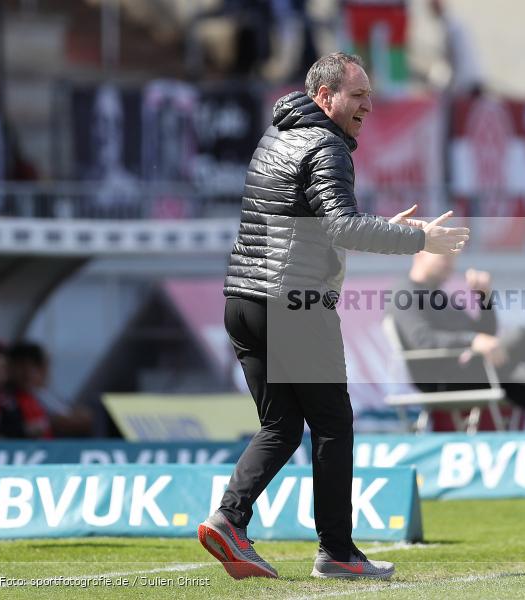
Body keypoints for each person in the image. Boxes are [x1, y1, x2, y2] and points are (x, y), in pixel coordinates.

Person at [198, 52, 470, 581]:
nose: (369, 104)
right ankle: (337, 552)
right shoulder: (327, 146)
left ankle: (228, 519)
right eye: (358, 94)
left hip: (243, 301)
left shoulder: (275, 136)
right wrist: (418, 239)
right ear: (325, 97)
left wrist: (381, 226)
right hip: (294, 306)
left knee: (281, 425)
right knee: (332, 425)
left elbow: (308, 226)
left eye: (369, 93)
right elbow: (343, 228)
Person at [388, 252, 525, 431]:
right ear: (419, 256)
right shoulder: (405, 293)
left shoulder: (439, 296)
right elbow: (422, 339)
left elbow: (486, 334)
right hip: (444, 378)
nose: (449, 264)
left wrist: (483, 298)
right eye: (444, 258)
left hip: (475, 371)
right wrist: (472, 340)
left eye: (452, 259)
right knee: (521, 335)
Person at [0, 342, 53, 439]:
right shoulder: (4, 402)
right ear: (11, 368)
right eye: (21, 365)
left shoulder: (41, 399)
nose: (27, 372)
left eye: (33, 366)